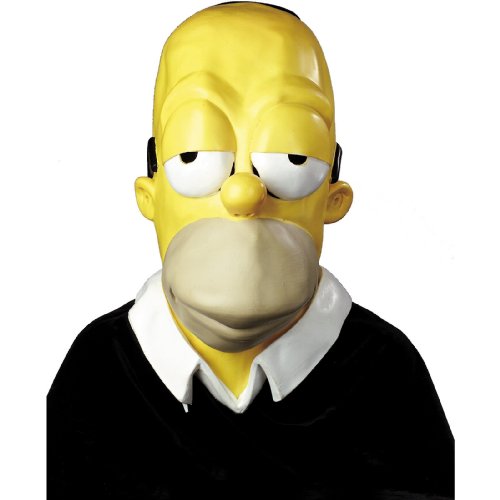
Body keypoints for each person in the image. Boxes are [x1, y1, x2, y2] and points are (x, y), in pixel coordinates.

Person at [47, 3, 454, 499]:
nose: (243, 191)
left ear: (333, 198)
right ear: (149, 196)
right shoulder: (97, 374)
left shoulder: (386, 377)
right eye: (195, 155)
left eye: (292, 156)